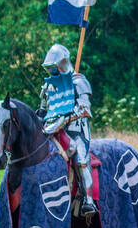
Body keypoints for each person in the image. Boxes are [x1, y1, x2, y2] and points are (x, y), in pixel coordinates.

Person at [38, 42, 97, 217]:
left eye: (53, 67)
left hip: (76, 131)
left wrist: (64, 120)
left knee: (81, 159)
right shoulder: (49, 86)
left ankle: (88, 201)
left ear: (63, 63)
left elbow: (85, 109)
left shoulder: (78, 81)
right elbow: (42, 109)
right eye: (49, 69)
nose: (51, 72)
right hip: (52, 129)